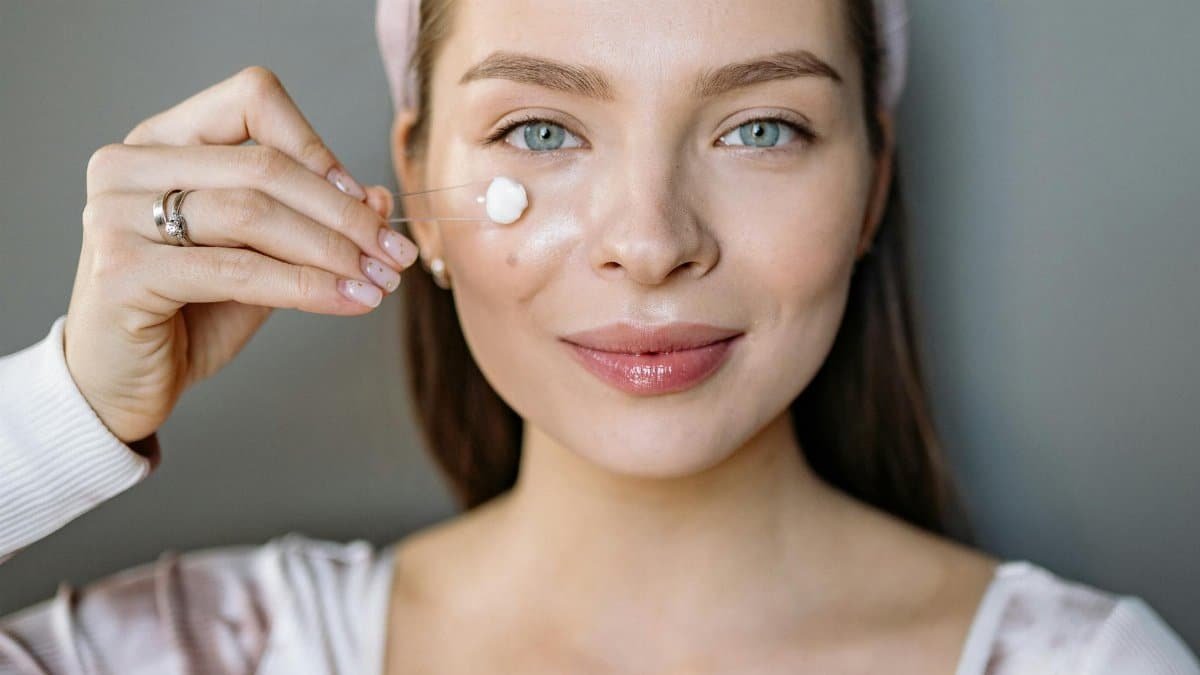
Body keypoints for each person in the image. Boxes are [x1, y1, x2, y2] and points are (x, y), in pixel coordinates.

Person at [1, 0, 1197, 672]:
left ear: (873, 186)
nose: (651, 241)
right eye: (540, 131)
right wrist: (67, 406)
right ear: (418, 181)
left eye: (762, 129)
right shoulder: (194, 655)